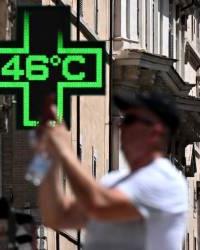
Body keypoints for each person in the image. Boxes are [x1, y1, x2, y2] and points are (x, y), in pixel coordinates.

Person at [37, 90, 188, 250]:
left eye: (129, 120)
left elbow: (98, 204)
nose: (119, 125)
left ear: (155, 132)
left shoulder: (165, 180)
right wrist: (50, 156)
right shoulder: (113, 180)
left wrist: (65, 149)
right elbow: (56, 217)